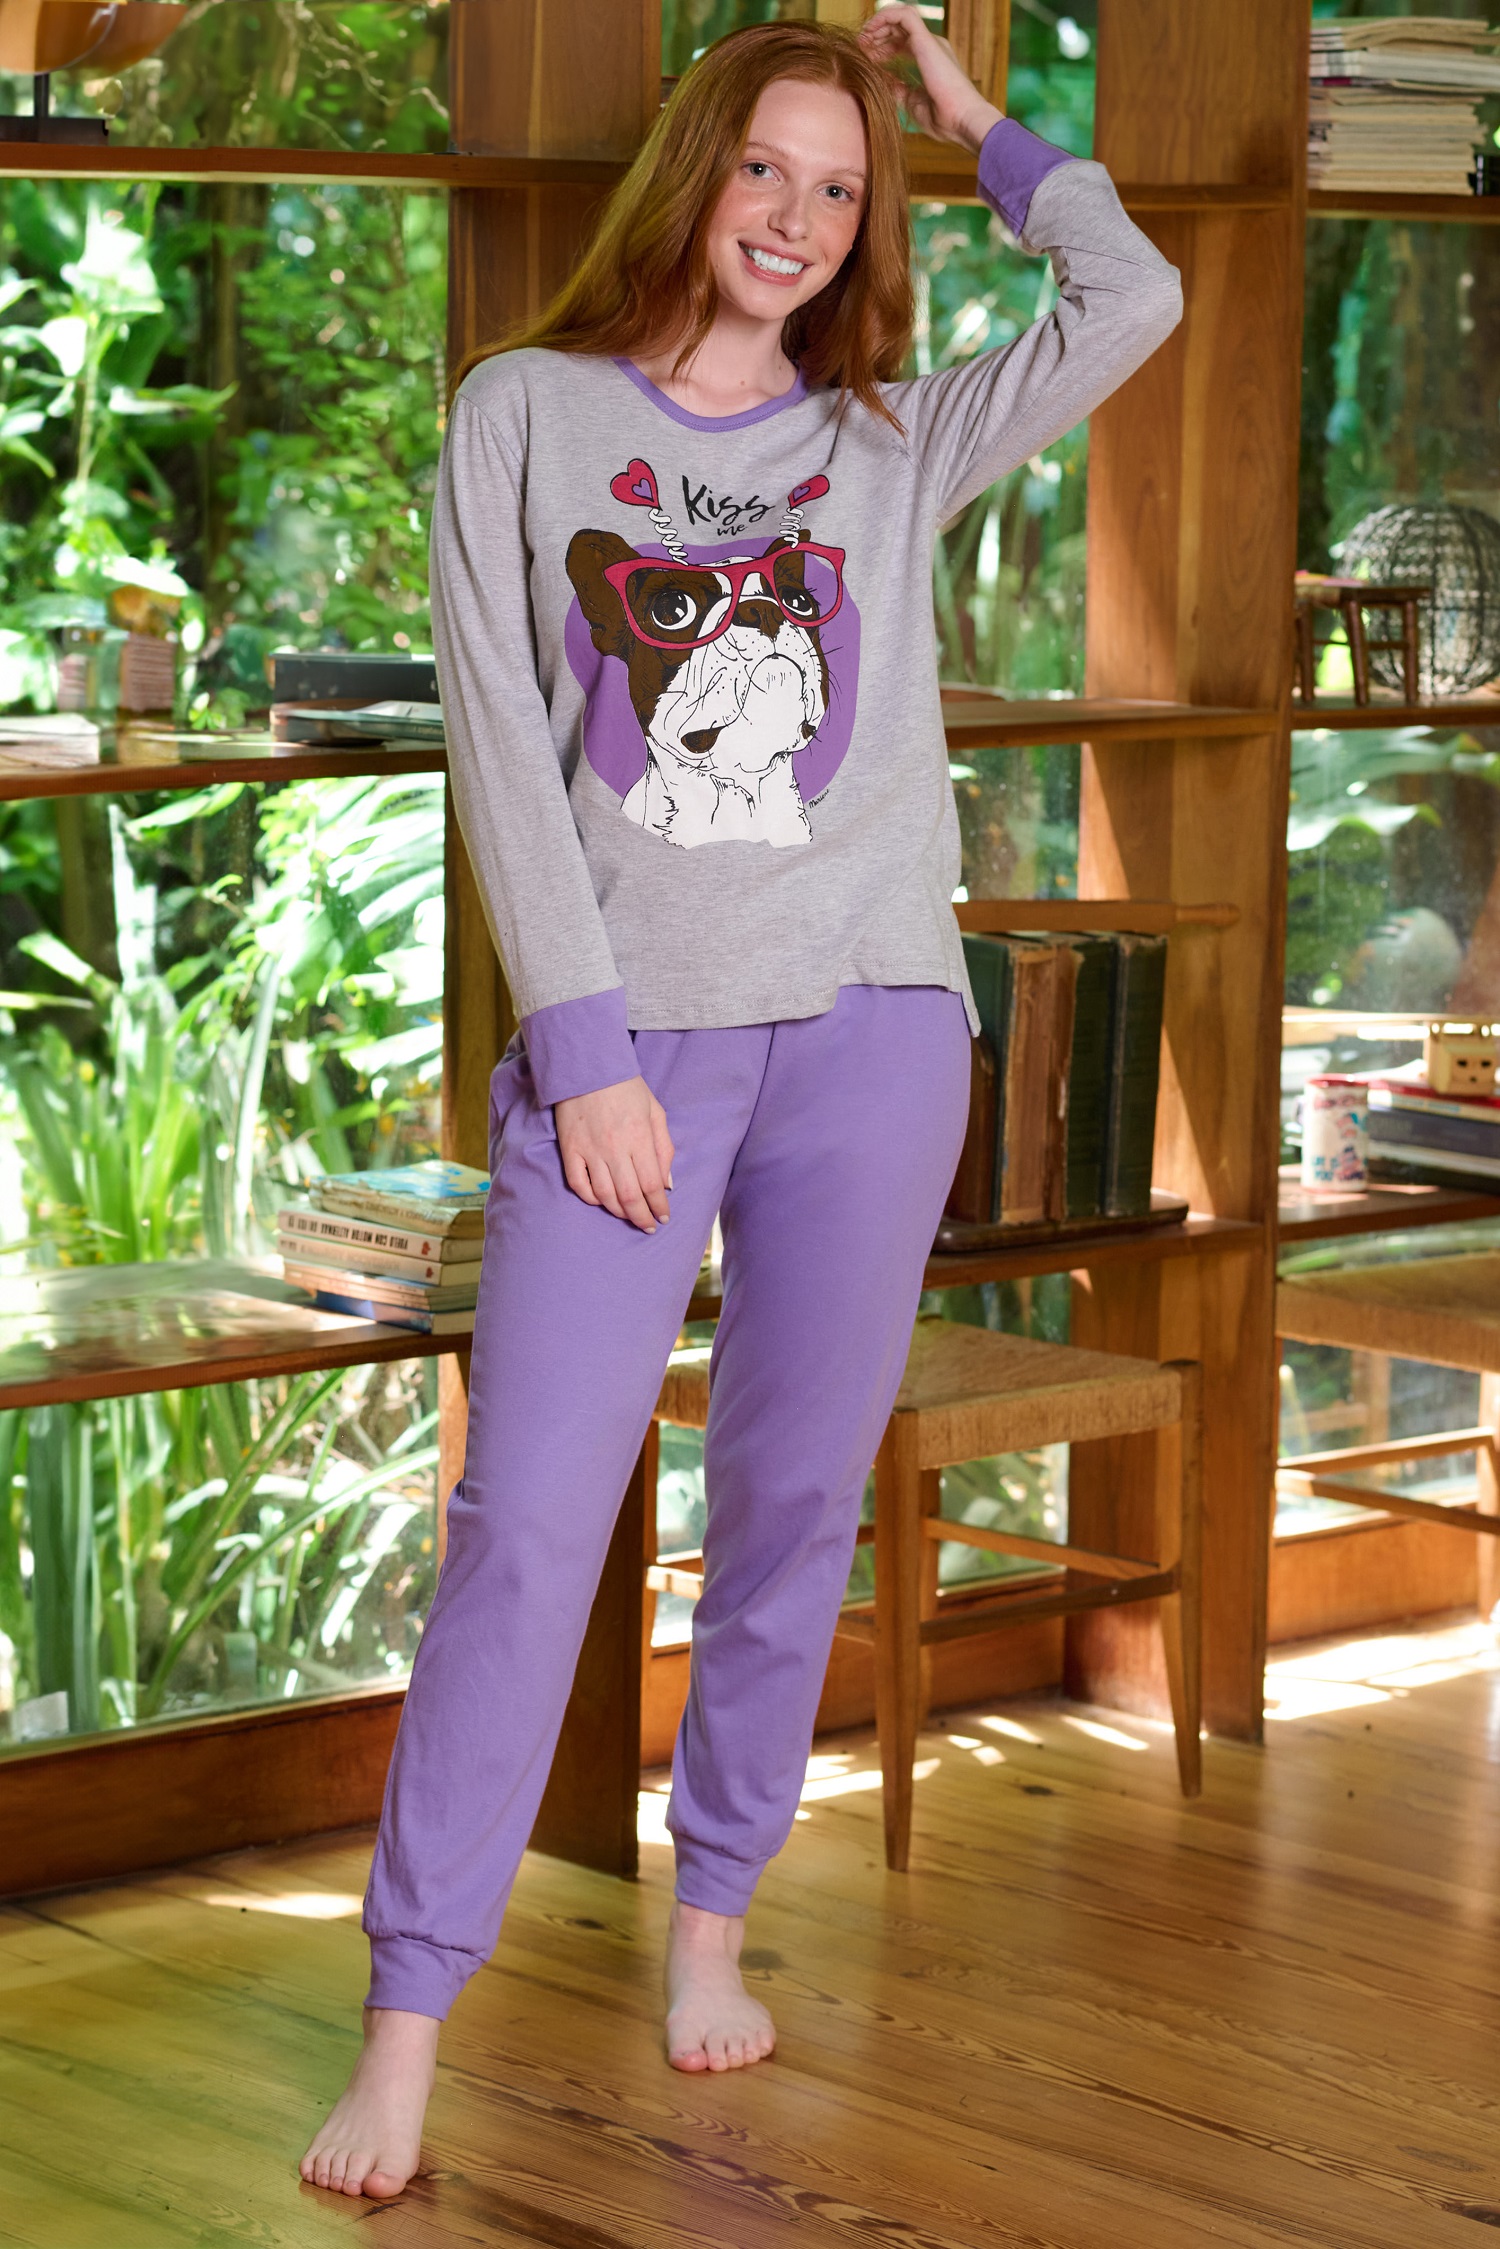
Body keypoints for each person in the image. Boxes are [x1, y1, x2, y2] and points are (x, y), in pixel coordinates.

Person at [301, 3, 1180, 2201]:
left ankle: (715, 1924)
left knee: (789, 1507)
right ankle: (407, 2021)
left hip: (874, 1033)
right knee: (527, 1527)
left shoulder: (887, 440)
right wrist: (587, 1053)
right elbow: (502, 748)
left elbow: (1134, 297)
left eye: (841, 188)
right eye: (767, 167)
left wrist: (977, 125)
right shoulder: (526, 414)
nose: (795, 217)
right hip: (634, 1051)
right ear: (695, 170)